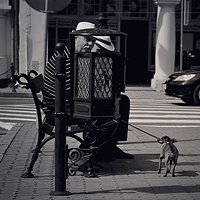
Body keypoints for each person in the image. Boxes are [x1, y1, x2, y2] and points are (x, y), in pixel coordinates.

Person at [42, 21, 133, 161]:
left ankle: (108, 146)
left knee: (123, 101)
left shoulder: (75, 55)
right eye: (87, 39)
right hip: (59, 110)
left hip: (65, 105)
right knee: (107, 120)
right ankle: (86, 153)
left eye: (92, 40)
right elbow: (71, 93)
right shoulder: (67, 58)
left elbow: (78, 88)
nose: (90, 44)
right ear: (76, 37)